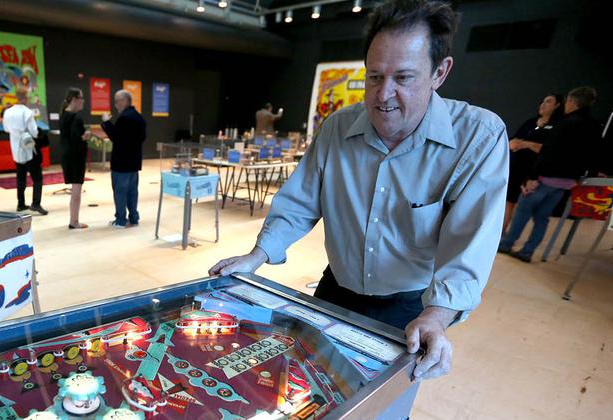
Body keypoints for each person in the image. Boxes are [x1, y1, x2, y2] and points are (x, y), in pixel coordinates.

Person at [209, 0, 509, 381]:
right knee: (308, 383)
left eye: (403, 78)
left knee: (372, 405)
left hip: (409, 305)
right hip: (336, 290)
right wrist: (258, 255)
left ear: (440, 72)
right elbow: (301, 201)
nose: (383, 95)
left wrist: (438, 315)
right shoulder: (337, 128)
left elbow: (471, 243)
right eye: (374, 77)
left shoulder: (478, 137)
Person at [499, 86, 603, 262]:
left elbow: (548, 152)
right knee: (542, 217)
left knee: (522, 212)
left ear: (572, 101)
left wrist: (532, 177)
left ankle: (506, 244)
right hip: (566, 182)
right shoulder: (594, 126)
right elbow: (593, 154)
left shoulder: (564, 123)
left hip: (545, 177)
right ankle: (527, 251)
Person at [503, 94, 563, 232]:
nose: (543, 104)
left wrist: (527, 144)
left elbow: (550, 150)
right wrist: (513, 144)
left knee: (526, 206)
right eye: (542, 101)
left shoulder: (557, 126)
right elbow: (513, 139)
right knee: (508, 201)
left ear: (557, 105)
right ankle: (501, 232)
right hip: (516, 167)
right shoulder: (531, 122)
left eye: (548, 102)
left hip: (534, 172)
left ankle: (512, 237)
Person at [102, 90, 146, 228]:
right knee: (133, 191)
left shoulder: (124, 118)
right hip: (134, 162)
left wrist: (106, 122)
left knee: (120, 192)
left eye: (116, 101)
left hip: (121, 163)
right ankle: (133, 218)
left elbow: (116, 137)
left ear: (124, 101)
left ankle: (121, 220)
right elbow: (141, 138)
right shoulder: (139, 118)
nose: (115, 105)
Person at [2, 85, 47, 215]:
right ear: (26, 97)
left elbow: (6, 129)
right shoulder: (27, 112)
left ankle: (20, 204)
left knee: (20, 177)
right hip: (28, 149)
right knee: (37, 178)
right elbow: (34, 132)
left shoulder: (8, 112)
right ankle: (36, 204)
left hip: (15, 149)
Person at [60, 87, 92, 229]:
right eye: (81, 98)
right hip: (75, 158)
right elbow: (75, 139)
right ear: (74, 99)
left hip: (68, 157)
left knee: (75, 191)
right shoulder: (75, 117)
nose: (83, 101)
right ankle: (74, 221)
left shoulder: (64, 115)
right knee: (76, 192)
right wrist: (85, 136)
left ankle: (73, 220)